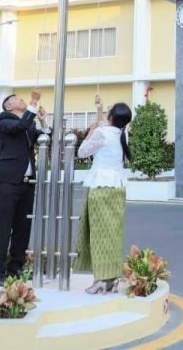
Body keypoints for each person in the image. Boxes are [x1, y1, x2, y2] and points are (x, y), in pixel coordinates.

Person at [0, 89, 47, 283]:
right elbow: (19, 127)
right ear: (9, 106)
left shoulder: (28, 124)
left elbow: (45, 138)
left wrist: (43, 121)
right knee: (3, 228)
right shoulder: (4, 119)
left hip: (27, 184)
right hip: (7, 183)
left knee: (23, 228)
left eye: (23, 99)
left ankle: (16, 268)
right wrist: (33, 103)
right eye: (17, 99)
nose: (22, 100)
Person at [74, 97, 132, 294]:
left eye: (108, 110)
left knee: (98, 234)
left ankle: (100, 279)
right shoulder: (123, 134)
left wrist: (90, 131)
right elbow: (105, 128)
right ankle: (111, 278)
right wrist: (99, 111)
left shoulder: (101, 133)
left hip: (100, 187)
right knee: (113, 234)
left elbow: (82, 152)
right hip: (117, 188)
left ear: (112, 116)